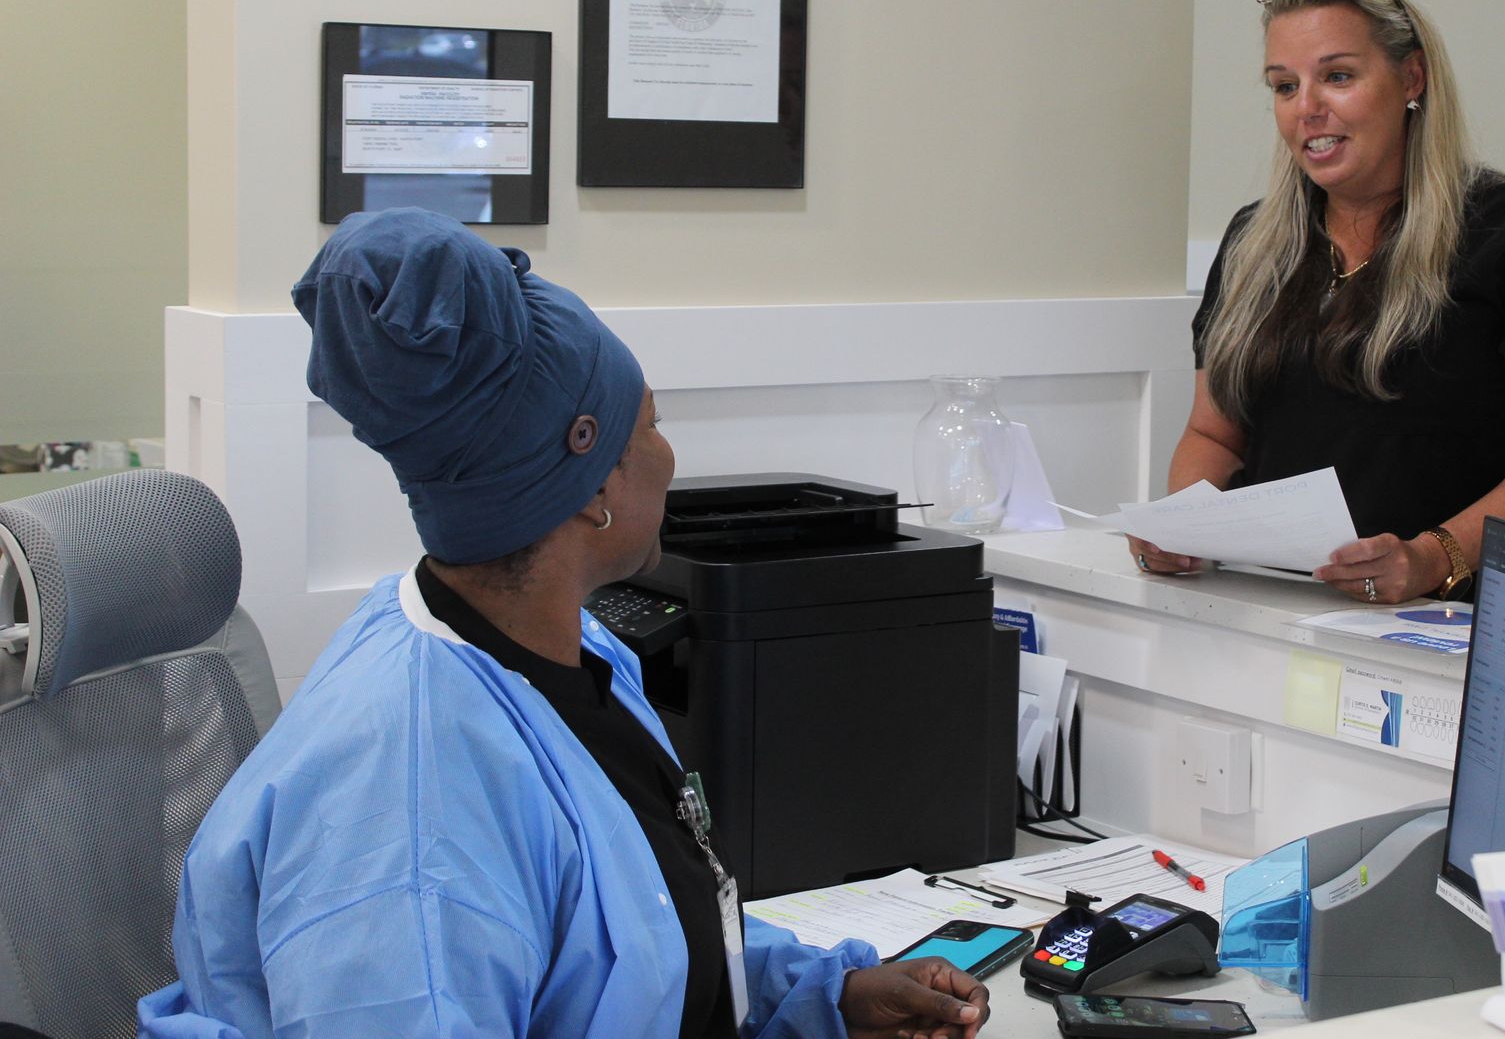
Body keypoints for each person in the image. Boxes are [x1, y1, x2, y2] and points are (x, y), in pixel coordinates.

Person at [139, 209, 989, 1039]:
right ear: (589, 485)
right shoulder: (411, 813)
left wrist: (827, 995)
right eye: (650, 423)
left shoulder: (579, 655)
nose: (668, 455)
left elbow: (643, 927)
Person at [1131, 0, 1505, 603]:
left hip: (1441, 621)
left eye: (1338, 76)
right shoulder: (1253, 242)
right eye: (1284, 85)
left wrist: (1431, 557)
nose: (1308, 109)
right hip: (1267, 605)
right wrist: (1182, 524)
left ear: (1412, 77)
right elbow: (1215, 433)